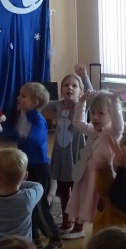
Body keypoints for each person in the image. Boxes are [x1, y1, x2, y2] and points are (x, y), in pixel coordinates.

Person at [0, 81, 63, 249]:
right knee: (28, 204)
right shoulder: (25, 116)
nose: (18, 98)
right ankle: (34, 237)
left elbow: (36, 139)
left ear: (34, 102)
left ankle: (55, 239)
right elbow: (17, 134)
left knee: (39, 206)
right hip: (27, 167)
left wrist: (24, 133)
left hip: (39, 169)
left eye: (23, 96)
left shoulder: (38, 120)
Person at [64, 89, 126, 238]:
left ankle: (104, 235)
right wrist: (82, 102)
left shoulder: (112, 133)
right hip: (88, 177)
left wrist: (114, 102)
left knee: (101, 209)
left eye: (101, 113)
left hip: (101, 180)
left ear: (112, 115)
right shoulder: (93, 130)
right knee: (89, 207)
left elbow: (119, 126)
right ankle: (95, 233)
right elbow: (78, 123)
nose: (95, 117)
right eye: (93, 112)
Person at [48, 64, 94, 232]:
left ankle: (79, 223)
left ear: (80, 92)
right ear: (61, 90)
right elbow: (42, 103)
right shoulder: (58, 105)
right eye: (66, 85)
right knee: (62, 190)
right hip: (61, 154)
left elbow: (92, 95)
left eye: (74, 86)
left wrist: (84, 77)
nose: (70, 88)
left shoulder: (82, 104)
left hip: (76, 154)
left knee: (77, 190)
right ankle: (66, 220)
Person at [0, 148, 45, 247]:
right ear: (25, 176)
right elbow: (38, 187)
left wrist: (7, 181)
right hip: (22, 248)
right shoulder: (27, 198)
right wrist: (19, 181)